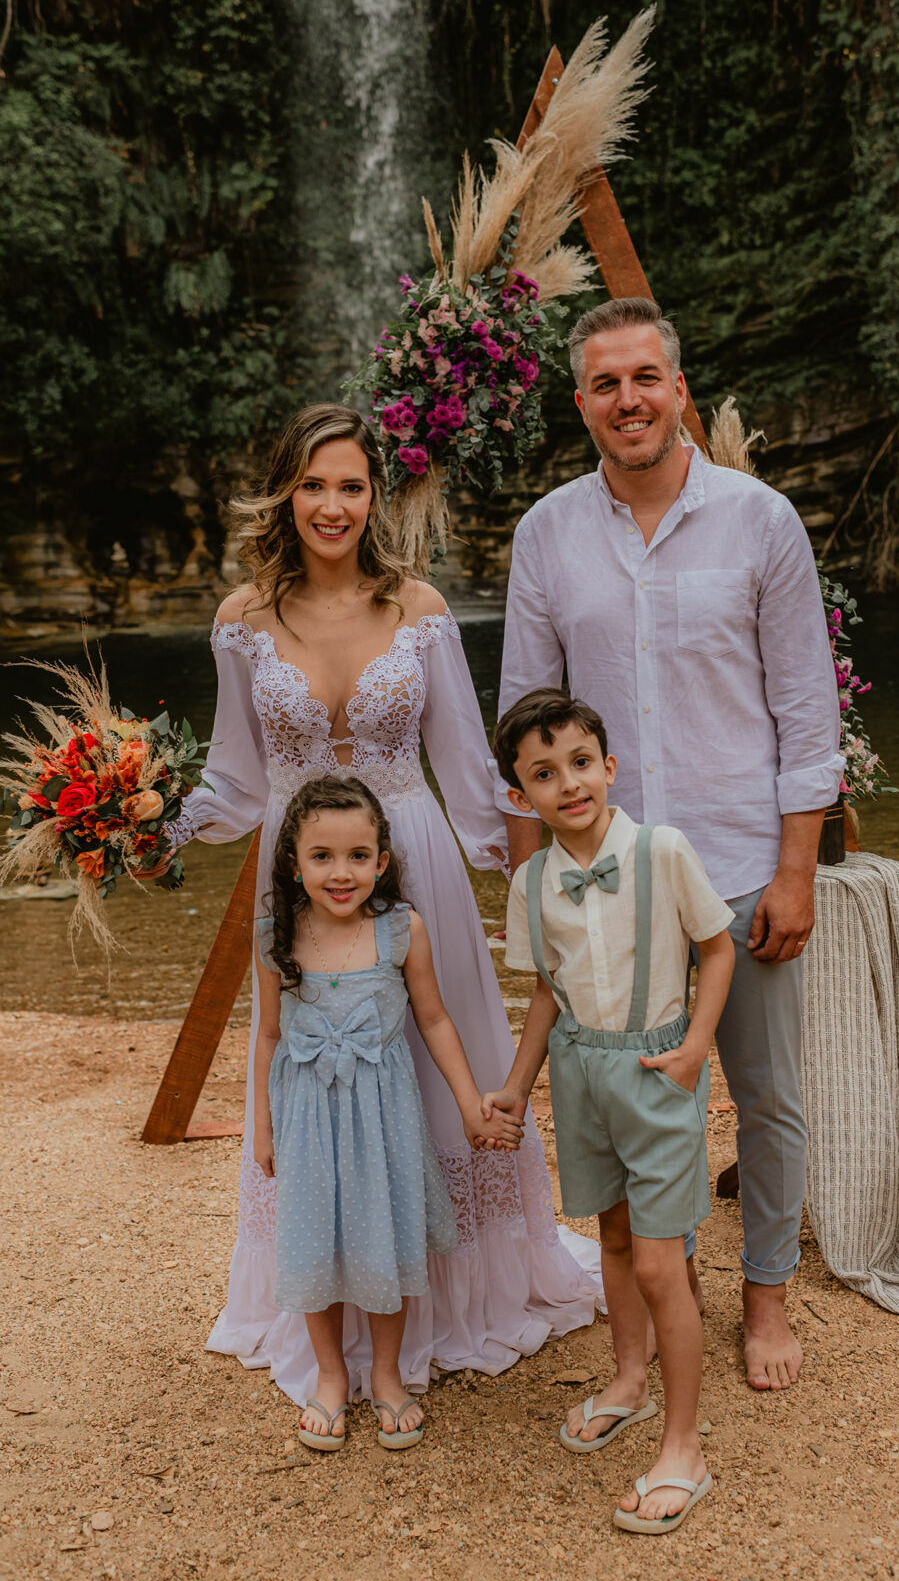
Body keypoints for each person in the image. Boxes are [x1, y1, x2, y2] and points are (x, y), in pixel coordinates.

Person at [162, 403, 599, 1408]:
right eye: (313, 484)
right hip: (298, 874)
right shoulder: (241, 619)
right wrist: (153, 831)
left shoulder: (423, 609)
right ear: (285, 492)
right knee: (318, 1086)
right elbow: (232, 780)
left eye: (351, 485)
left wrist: (541, 874)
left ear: (376, 495)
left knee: (433, 1075)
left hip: (415, 863)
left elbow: (468, 770)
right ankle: (326, 1314)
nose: (331, 504)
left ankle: (446, 1301)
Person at [499, 298, 844, 1393]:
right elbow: (522, 716)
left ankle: (768, 1295)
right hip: (606, 890)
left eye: (645, 377)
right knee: (631, 1096)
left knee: (769, 1092)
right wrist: (529, 884)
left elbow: (805, 713)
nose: (628, 399)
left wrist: (797, 869)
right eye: (605, 384)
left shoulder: (760, 520)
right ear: (582, 402)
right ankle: (662, 1301)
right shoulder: (546, 533)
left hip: (741, 865)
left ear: (679, 387)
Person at [483, 690, 735, 1533]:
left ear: (610, 766)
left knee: (664, 1264)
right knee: (615, 1237)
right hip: (580, 1073)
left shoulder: (662, 850)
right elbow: (547, 994)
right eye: (543, 775)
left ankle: (684, 1448)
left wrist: (699, 1043)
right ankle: (628, 1380)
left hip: (659, 1067)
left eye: (580, 763)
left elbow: (717, 945)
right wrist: (518, 1085)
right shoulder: (530, 884)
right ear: (521, 796)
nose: (568, 784)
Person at [253, 773, 521, 1450]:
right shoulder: (276, 934)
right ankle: (332, 1377)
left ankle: (392, 1376)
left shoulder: (402, 929)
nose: (341, 873)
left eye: (357, 856)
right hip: (308, 1116)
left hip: (383, 1117)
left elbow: (433, 1021)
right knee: (315, 1241)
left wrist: (469, 1105)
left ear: (383, 860)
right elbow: (267, 1034)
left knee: (384, 1237)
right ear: (294, 862)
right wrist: (262, 1125)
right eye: (322, 856)